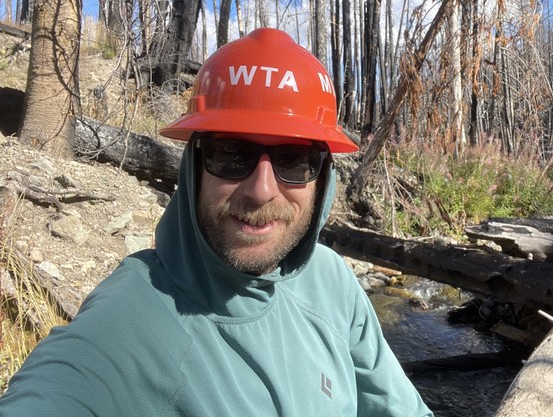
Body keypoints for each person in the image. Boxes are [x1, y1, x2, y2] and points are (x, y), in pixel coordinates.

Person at [0, 28, 433, 416]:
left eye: (294, 160)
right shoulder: (132, 321)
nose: (262, 190)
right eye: (231, 154)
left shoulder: (331, 280)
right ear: (194, 167)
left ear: (322, 179)